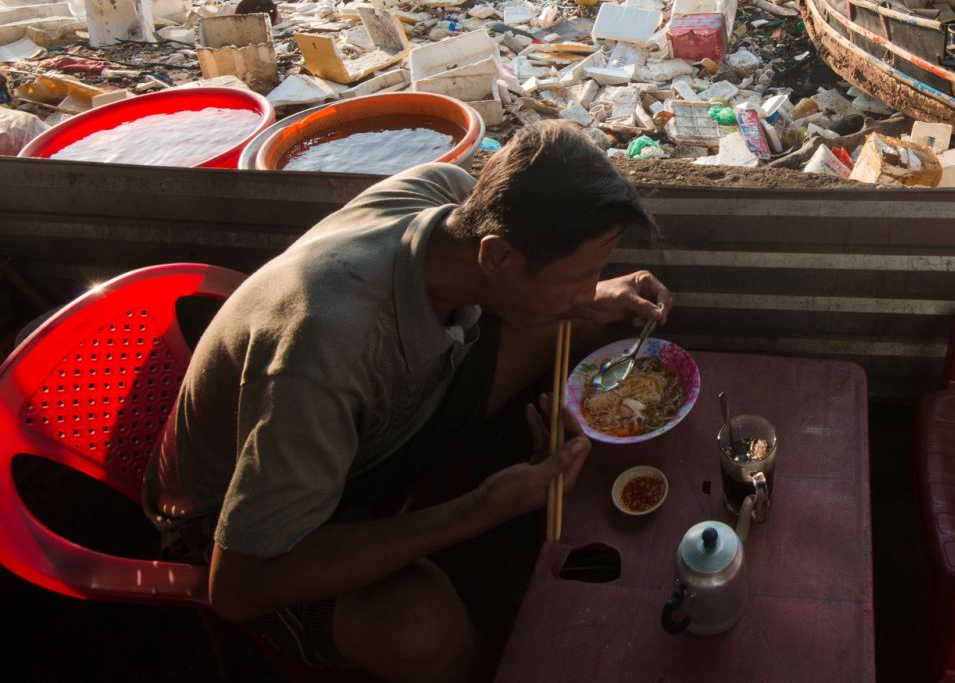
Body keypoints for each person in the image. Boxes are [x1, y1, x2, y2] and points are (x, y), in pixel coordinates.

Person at [143, 123, 669, 681]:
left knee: (586, 327)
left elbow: (551, 302)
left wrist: (593, 297)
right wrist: (482, 508)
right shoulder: (325, 352)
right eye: (579, 276)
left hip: (367, 434)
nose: (590, 287)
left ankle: (484, 508)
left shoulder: (446, 195)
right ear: (497, 258)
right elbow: (239, 588)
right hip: (241, 535)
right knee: (419, 621)